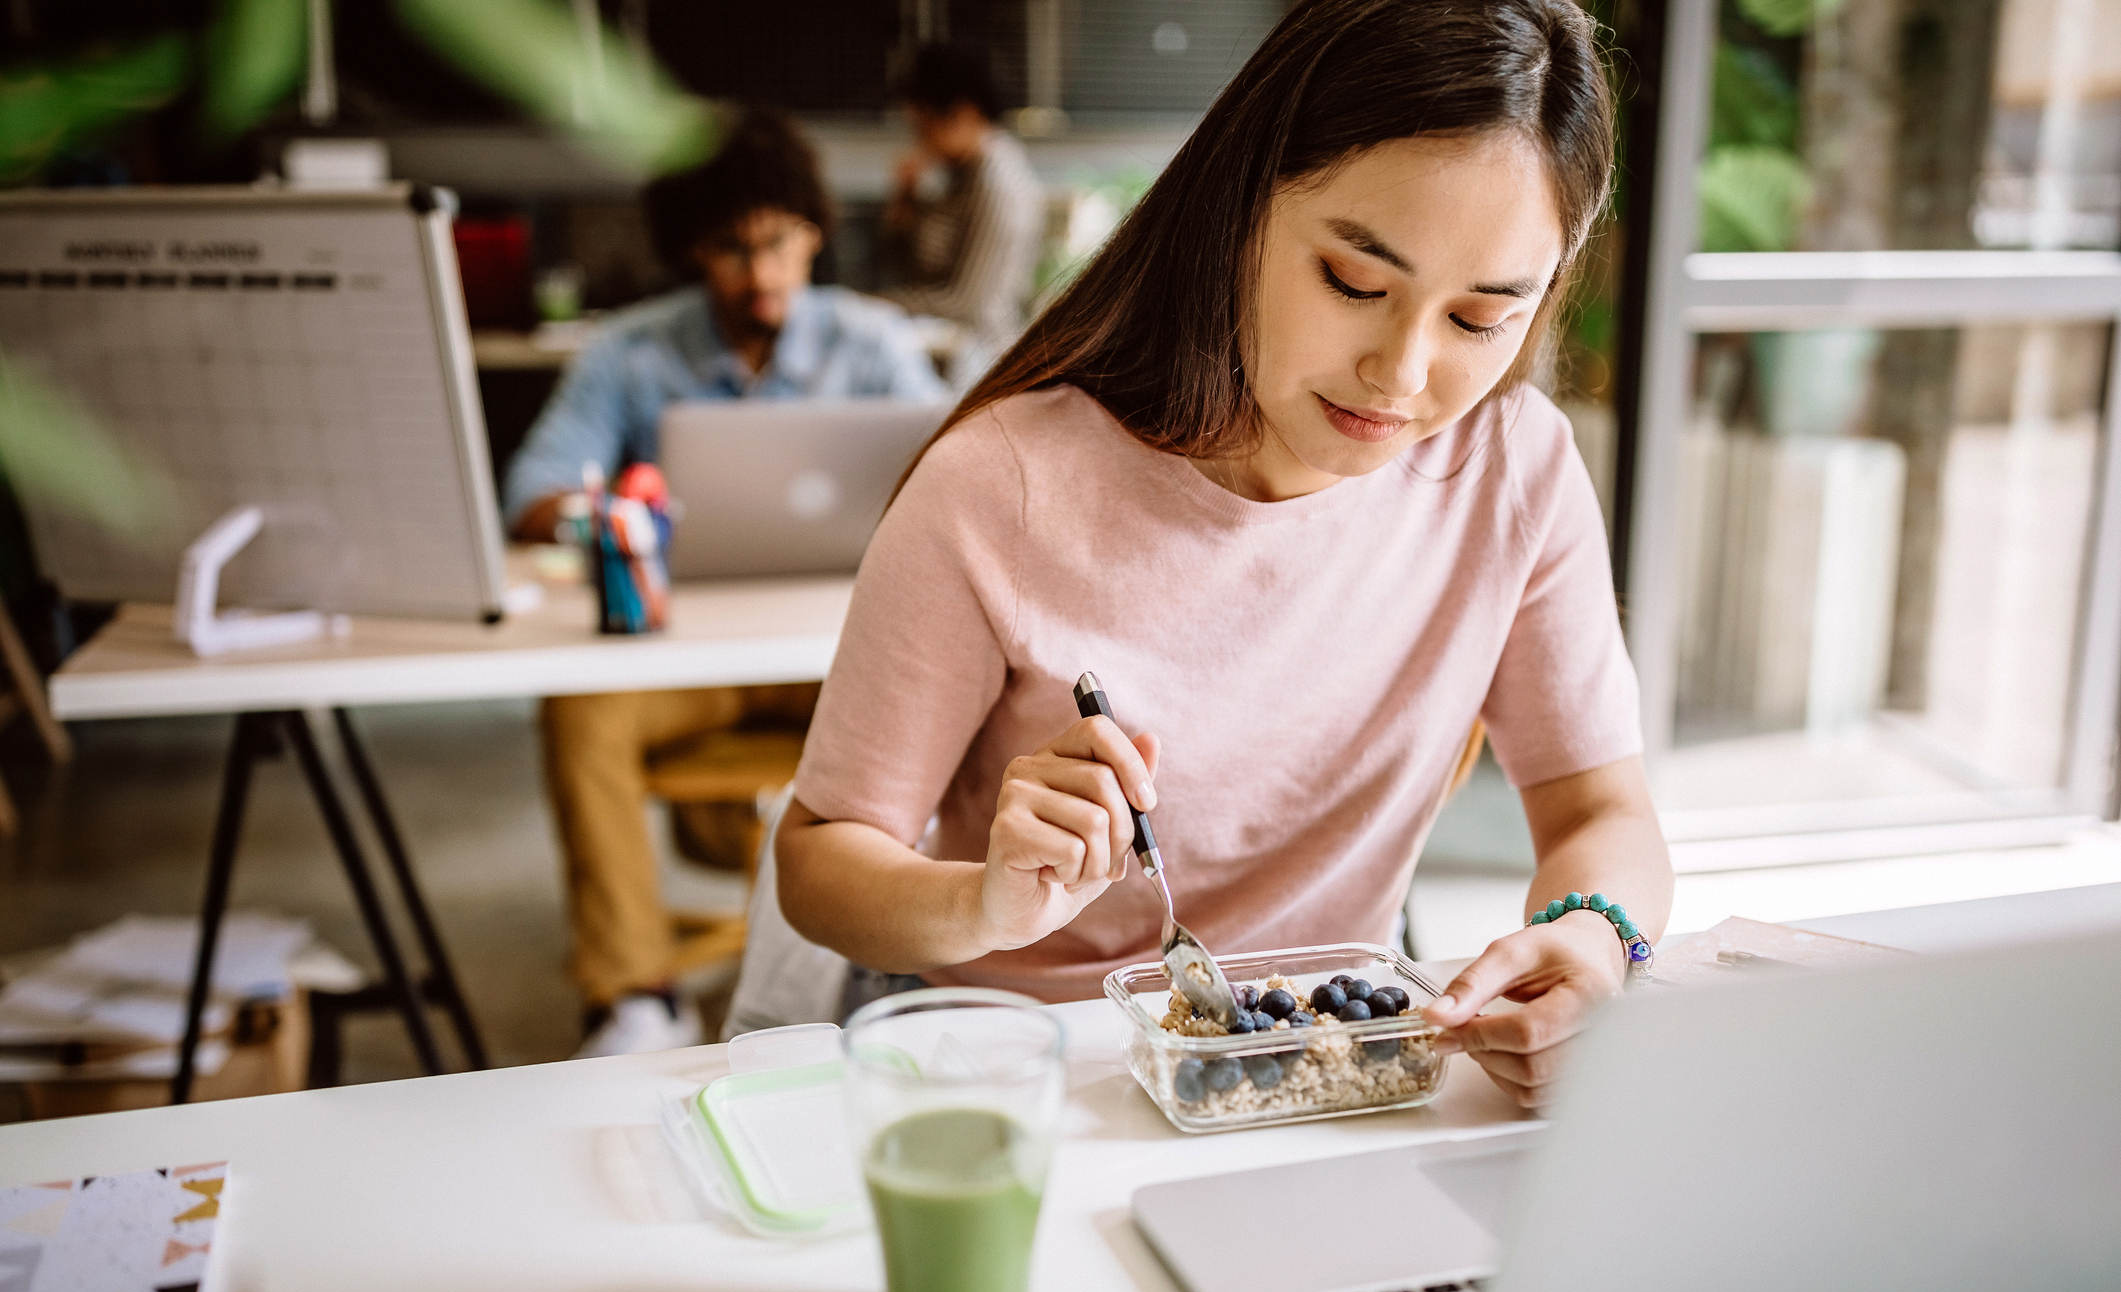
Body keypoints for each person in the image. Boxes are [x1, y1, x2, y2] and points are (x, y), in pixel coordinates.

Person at [775, 0, 1673, 1110]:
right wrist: (986, 904)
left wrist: (1593, 941)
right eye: (1355, 283)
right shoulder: (1000, 481)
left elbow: (1601, 816)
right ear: (1243, 207)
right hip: (1018, 1062)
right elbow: (818, 863)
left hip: (1326, 1065)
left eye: (1481, 319)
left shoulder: (1516, 470)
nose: (1401, 374)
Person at [504, 108, 945, 1059]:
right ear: (690, 250)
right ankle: (631, 999)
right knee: (580, 708)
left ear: (814, 234)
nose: (761, 275)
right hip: (684, 661)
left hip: (836, 659)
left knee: (949, 697)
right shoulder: (628, 353)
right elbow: (530, 495)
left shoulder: (871, 345)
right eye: (731, 250)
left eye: (780, 243)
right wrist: (612, 511)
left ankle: (893, 966)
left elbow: (966, 474)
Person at [878, 42, 1046, 385]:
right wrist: (906, 196)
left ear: (964, 114)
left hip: (977, 364)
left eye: (923, 126)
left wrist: (869, 305)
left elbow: (969, 304)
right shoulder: (960, 175)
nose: (919, 140)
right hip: (940, 347)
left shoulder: (996, 181)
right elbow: (903, 259)